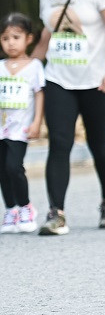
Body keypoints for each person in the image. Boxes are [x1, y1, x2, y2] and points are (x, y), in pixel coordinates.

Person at [27, 0, 105, 235]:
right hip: (59, 78)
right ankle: (56, 213)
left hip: (98, 80)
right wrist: (31, 65)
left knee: (99, 145)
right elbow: (49, 31)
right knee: (59, 144)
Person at [0, 13, 45, 234]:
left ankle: (26, 207)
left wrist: (37, 122)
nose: (11, 43)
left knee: (13, 167)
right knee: (2, 169)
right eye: (5, 38)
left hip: (20, 127)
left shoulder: (34, 66)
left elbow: (39, 94)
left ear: (29, 38)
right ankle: (11, 210)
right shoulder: (1, 66)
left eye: (16, 37)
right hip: (1, 126)